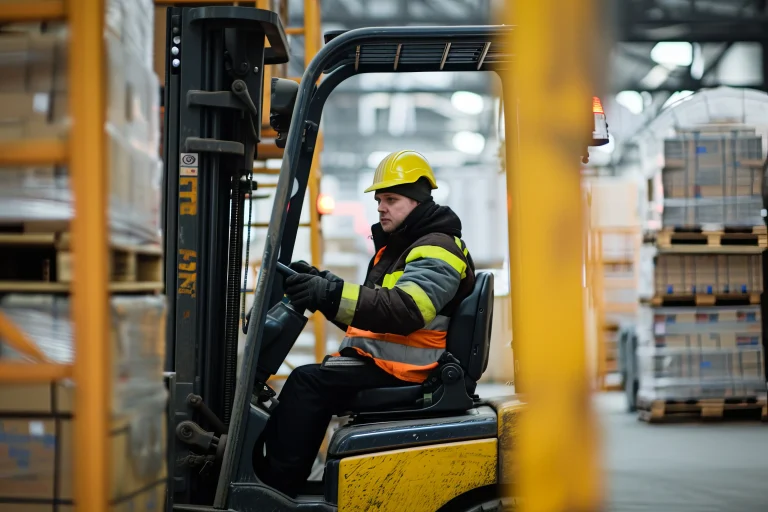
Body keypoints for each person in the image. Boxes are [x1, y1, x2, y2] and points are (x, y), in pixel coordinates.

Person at [255, 150, 476, 497]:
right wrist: (322, 286)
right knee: (310, 379)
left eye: (391, 200)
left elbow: (405, 310)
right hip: (391, 362)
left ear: (418, 201)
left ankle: (274, 490)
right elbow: (372, 313)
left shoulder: (437, 248)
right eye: (379, 200)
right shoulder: (404, 246)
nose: (381, 208)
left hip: (410, 369)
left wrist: (329, 293)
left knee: (306, 383)